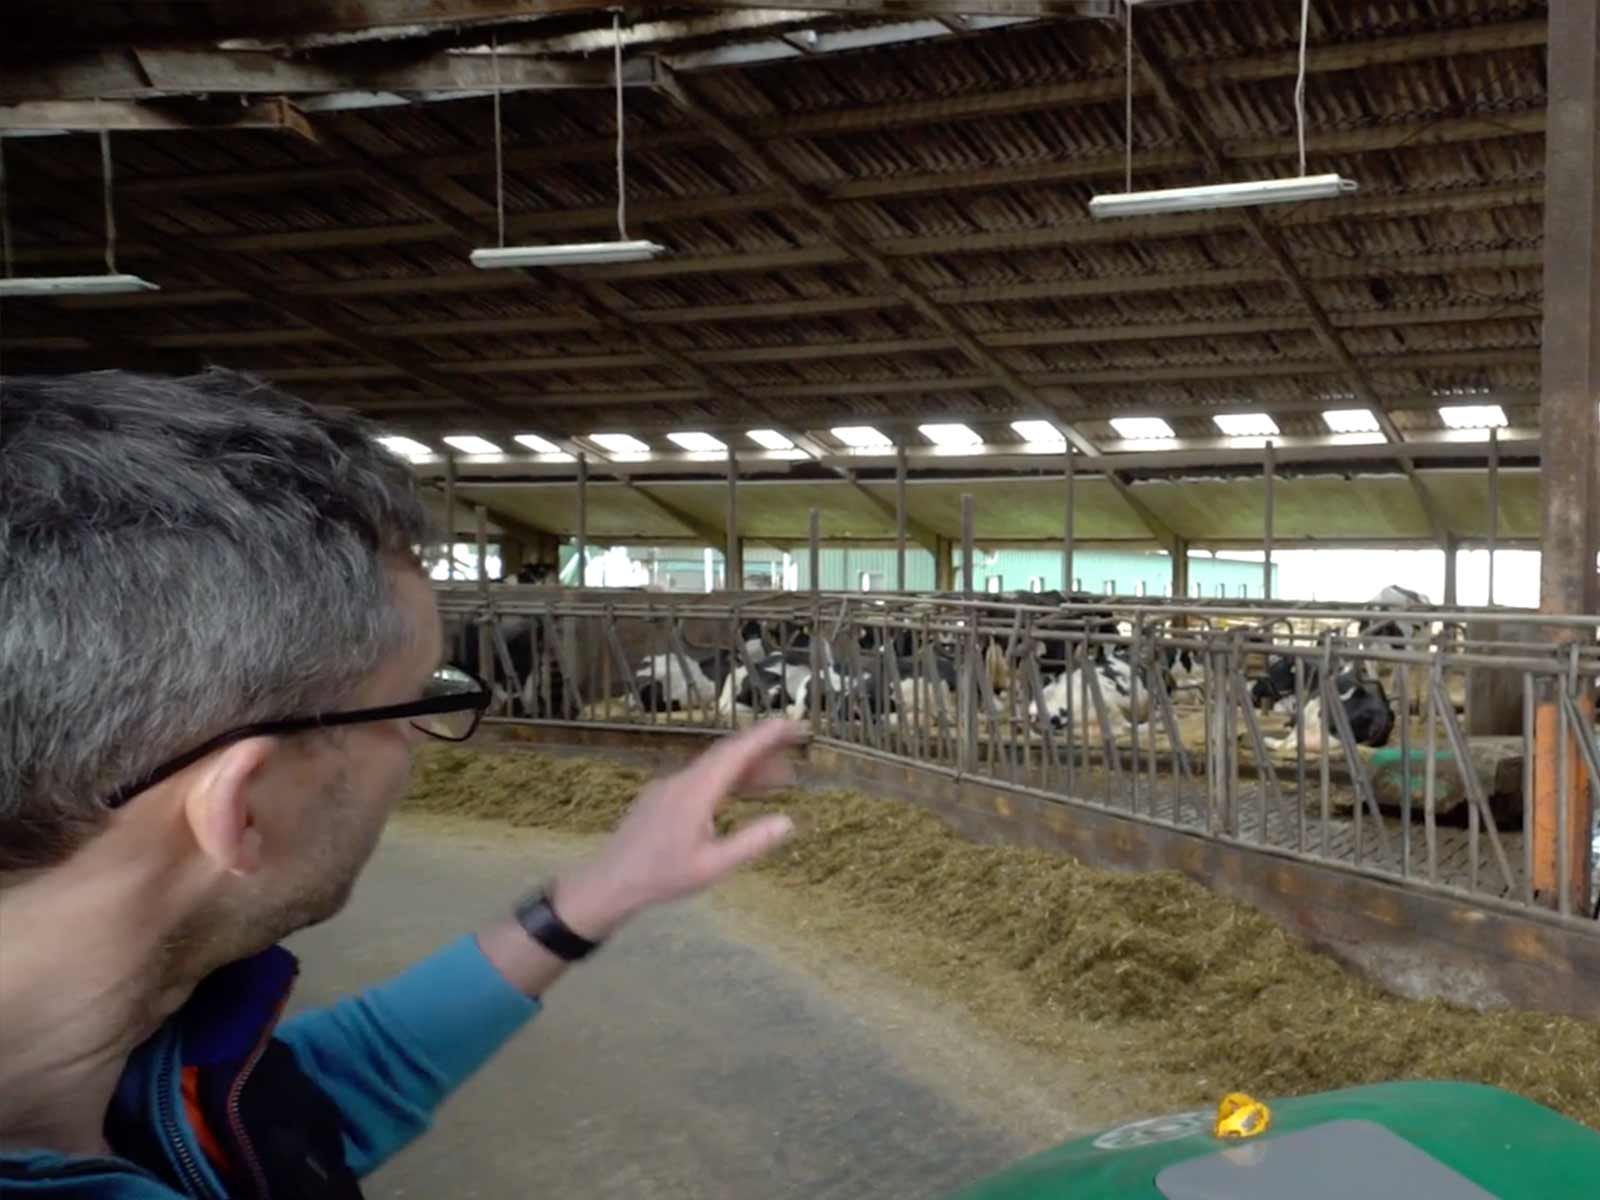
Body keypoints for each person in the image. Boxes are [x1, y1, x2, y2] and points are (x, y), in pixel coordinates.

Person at [0, 370, 804, 1197]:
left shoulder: (121, 1066)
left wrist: (593, 897)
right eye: (406, 705)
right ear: (244, 805)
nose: (422, 739)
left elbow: (288, 1115)